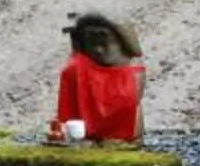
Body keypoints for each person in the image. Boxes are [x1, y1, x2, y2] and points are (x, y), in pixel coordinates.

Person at [55, 14, 143, 143]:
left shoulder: (131, 69)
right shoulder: (77, 68)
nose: (98, 50)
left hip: (123, 127)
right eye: (91, 43)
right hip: (85, 131)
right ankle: (77, 133)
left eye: (106, 43)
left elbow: (132, 99)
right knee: (72, 71)